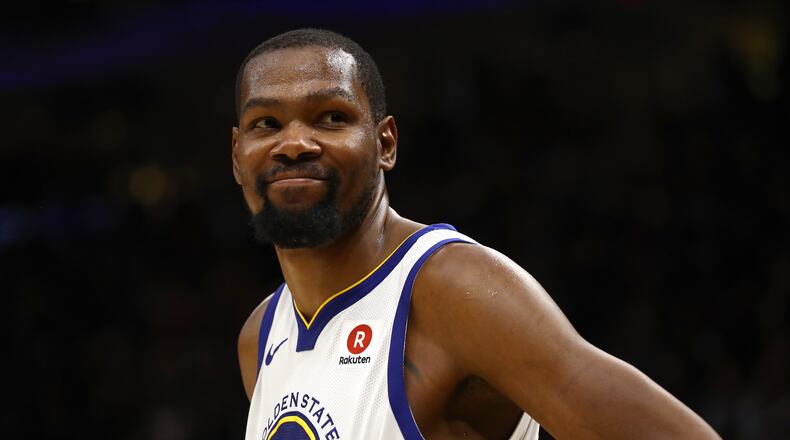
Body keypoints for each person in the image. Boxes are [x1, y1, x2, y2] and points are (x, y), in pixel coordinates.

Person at [232, 28, 720, 440]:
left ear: (385, 144)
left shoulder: (454, 290)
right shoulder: (260, 336)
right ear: (237, 156)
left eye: (331, 118)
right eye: (266, 123)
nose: (294, 143)